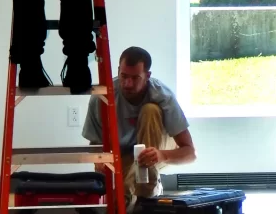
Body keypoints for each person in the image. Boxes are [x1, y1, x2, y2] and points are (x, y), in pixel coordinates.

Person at [83, 47, 195, 205]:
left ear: (147, 76)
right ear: (118, 71)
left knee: (150, 110)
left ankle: (148, 191)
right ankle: (136, 193)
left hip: (156, 150)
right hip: (121, 155)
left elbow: (190, 153)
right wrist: (100, 162)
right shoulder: (102, 98)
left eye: (135, 78)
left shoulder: (163, 96)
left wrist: (162, 155)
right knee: (120, 202)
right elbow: (95, 144)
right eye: (123, 76)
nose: (127, 84)